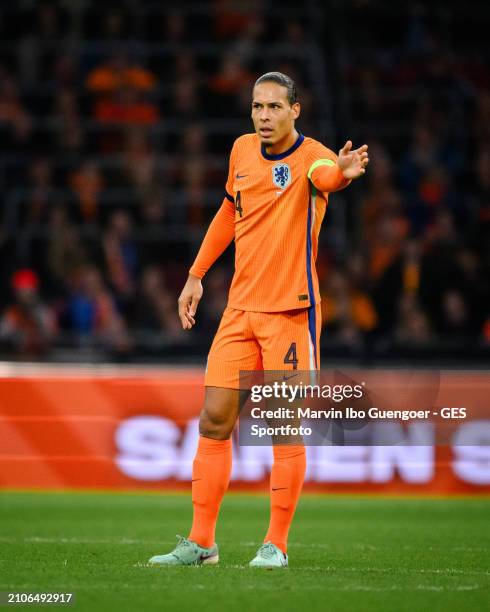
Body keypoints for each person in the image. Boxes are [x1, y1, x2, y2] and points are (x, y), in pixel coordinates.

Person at [148, 72, 369, 568]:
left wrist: (345, 171)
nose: (264, 116)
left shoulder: (313, 156)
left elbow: (326, 178)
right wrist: (196, 274)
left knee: (284, 428)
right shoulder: (241, 151)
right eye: (257, 107)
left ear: (296, 110)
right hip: (238, 310)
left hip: (290, 313)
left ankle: (276, 545)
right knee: (214, 420)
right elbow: (229, 212)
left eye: (274, 107)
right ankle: (202, 543)